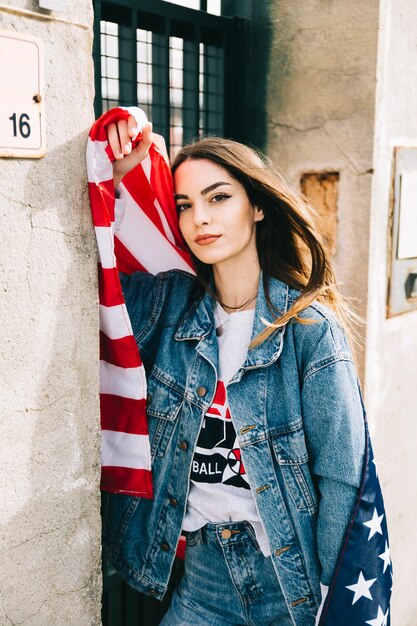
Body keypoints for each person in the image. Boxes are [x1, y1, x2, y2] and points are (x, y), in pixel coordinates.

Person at [102, 114, 366, 626]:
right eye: (185, 205)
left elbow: (341, 478)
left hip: (290, 588)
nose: (200, 217)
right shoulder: (170, 307)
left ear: (258, 205)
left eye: (218, 197)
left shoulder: (308, 330)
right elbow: (92, 284)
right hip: (202, 582)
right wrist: (114, 179)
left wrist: (334, 602)